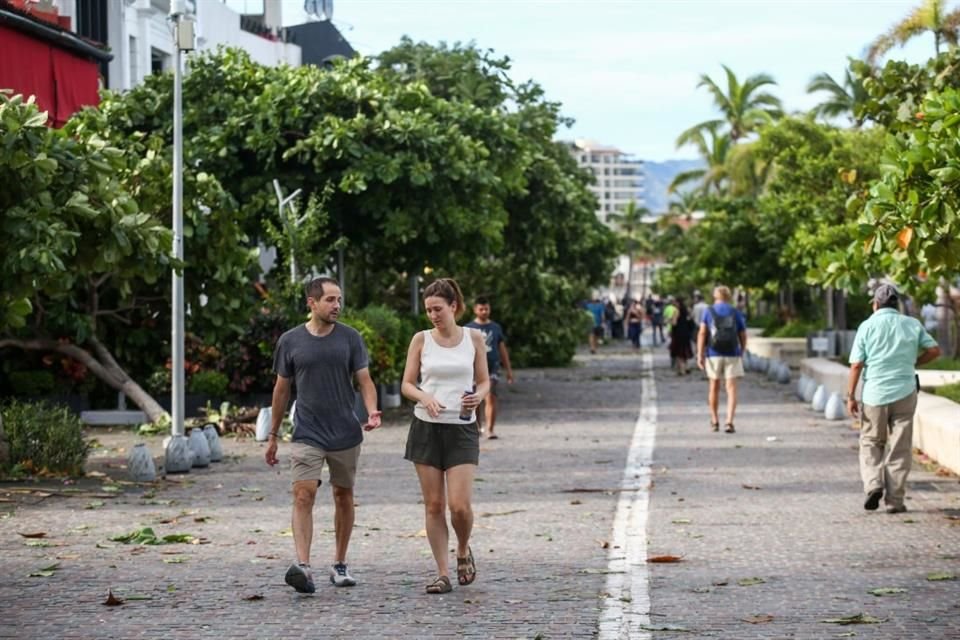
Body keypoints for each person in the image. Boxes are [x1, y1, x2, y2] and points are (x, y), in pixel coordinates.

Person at [265, 276, 382, 594]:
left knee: (343, 496)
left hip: (345, 431)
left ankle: (340, 563)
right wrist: (273, 434)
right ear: (311, 303)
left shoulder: (350, 338)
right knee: (303, 494)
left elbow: (365, 380)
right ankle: (303, 567)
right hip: (307, 431)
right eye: (330, 300)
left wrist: (371, 410)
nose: (337, 306)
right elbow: (281, 389)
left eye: (339, 300)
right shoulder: (290, 341)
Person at [401, 278, 491, 594]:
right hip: (426, 428)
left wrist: (479, 396)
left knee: (460, 506)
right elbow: (407, 384)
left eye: (438, 309)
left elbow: (483, 381)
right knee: (434, 505)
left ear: (454, 306)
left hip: (462, 428)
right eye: (428, 310)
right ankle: (442, 572)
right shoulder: (421, 340)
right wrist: (424, 397)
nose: (433, 315)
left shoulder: (475, 338)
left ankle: (463, 549)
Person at [846, 284, 940, 514]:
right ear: (896, 304)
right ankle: (895, 501)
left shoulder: (867, 326)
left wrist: (850, 396)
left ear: (876, 304)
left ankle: (873, 485)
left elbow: (857, 364)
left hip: (875, 394)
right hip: (905, 392)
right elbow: (935, 350)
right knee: (900, 447)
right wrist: (913, 363)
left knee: (871, 442)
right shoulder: (911, 324)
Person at [697, 285, 747, 433]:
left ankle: (714, 420)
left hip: (713, 353)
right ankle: (729, 422)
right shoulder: (735, 312)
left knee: (714, 386)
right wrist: (741, 351)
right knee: (731, 388)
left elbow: (702, 333)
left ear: (715, 296)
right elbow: (743, 334)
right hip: (732, 353)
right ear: (729, 296)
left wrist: (700, 354)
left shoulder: (708, 311)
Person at [466, 295, 514, 439]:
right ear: (475, 310)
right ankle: (476, 427)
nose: (484, 311)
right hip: (473, 370)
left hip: (492, 368)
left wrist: (508, 370)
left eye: (486, 309)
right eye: (481, 309)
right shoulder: (468, 328)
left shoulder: (495, 327)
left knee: (491, 397)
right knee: (474, 399)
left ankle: (490, 429)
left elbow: (502, 349)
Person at [669, 297, 694, 375]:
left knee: (679, 352)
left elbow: (674, 323)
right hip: (686, 332)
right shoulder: (688, 310)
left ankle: (681, 370)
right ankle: (686, 367)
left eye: (675, 302)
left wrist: (670, 320)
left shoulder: (676, 311)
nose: (674, 303)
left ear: (678, 303)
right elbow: (691, 319)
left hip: (678, 333)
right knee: (685, 351)